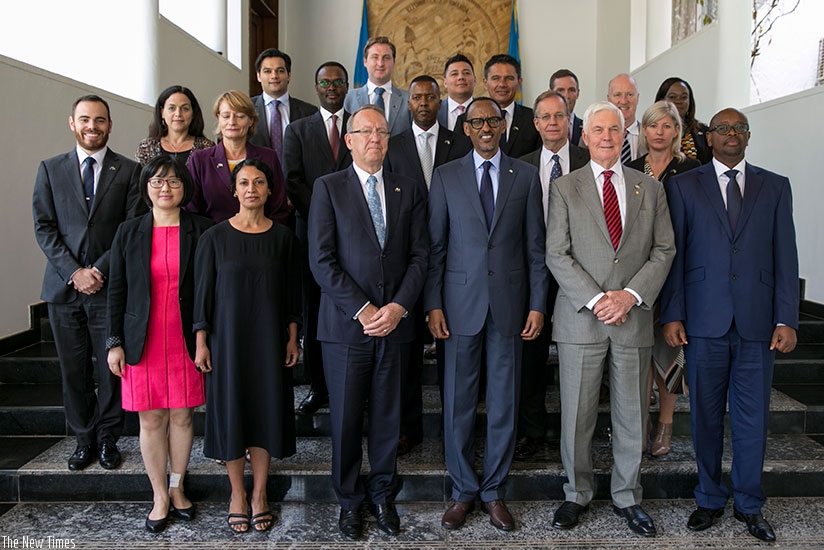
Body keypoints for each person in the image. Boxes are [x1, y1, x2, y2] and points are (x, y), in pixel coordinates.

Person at [660, 108, 799, 543]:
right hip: (703, 321)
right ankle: (708, 498)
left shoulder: (775, 186)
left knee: (752, 419)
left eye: (739, 128)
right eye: (723, 129)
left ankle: (749, 504)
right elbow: (675, 256)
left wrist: (787, 317)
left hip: (759, 323)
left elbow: (785, 256)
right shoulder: (684, 186)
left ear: (748, 135)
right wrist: (673, 313)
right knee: (703, 416)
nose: (732, 134)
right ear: (710, 137)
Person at [546, 101, 675, 538]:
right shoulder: (565, 187)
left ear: (625, 135)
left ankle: (627, 495)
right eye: (597, 129)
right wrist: (600, 299)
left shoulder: (649, 188)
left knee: (631, 415)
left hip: (633, 318)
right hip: (582, 319)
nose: (605, 136)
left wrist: (630, 296)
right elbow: (556, 254)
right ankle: (576, 493)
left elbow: (664, 250)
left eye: (613, 129)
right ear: (584, 135)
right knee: (577, 416)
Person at [426, 97, 549, 532]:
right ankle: (463, 490)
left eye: (491, 120)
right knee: (458, 401)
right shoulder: (444, 177)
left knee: (503, 402)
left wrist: (537, 304)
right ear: (464, 127)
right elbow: (435, 248)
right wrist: (433, 304)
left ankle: (493, 491)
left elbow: (537, 249)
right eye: (476, 121)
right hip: (458, 306)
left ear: (502, 125)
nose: (484, 127)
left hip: (511, 307)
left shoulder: (526, 176)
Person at [308, 105, 428, 540]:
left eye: (381, 131)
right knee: (344, 420)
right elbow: (321, 261)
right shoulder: (329, 188)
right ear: (352, 140)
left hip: (395, 326)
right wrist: (363, 309)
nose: (374, 137)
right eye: (365, 131)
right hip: (345, 328)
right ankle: (348, 501)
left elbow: (420, 256)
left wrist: (397, 307)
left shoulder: (407, 188)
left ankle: (381, 496)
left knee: (386, 417)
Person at [33, 94, 143, 472]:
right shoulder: (50, 169)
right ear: (72, 123)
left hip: (108, 288)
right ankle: (83, 440)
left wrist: (98, 270)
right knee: (73, 369)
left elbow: (130, 230)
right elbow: (44, 228)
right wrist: (74, 271)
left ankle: (109, 438)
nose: (92, 127)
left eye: (99, 120)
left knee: (109, 368)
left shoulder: (129, 171)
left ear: (110, 125)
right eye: (84, 120)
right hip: (63, 290)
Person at [106, 155, 212, 533]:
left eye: (173, 182)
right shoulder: (129, 231)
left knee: (183, 415)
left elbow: (207, 291)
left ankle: (178, 486)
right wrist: (114, 342)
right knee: (151, 418)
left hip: (185, 337)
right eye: (157, 182)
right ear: (146, 188)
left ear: (185, 188)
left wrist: (205, 337)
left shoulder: (201, 229)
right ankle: (159, 496)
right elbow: (116, 290)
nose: (165, 188)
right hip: (142, 338)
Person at [193, 159, 301, 533]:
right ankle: (236, 492)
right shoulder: (214, 237)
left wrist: (291, 337)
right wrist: (201, 341)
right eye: (244, 182)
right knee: (233, 413)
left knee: (266, 412)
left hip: (270, 341)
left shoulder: (283, 238)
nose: (251, 188)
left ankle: (259, 494)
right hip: (228, 342)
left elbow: (292, 294)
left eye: (259, 182)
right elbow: (202, 295)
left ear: (270, 191)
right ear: (234, 190)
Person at [385, 74, 459, 456]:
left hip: (453, 258)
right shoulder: (392, 145)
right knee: (406, 352)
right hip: (407, 260)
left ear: (440, 101)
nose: (425, 103)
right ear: (408, 103)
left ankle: (454, 427)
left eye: (431, 97)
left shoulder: (458, 143)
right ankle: (407, 428)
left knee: (453, 352)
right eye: (417, 97)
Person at [515, 90, 589, 460]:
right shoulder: (520, 164)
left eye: (559, 116)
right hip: (534, 274)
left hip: (584, 273)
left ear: (568, 119)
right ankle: (533, 430)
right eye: (544, 117)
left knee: (585, 354)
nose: (552, 123)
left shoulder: (589, 160)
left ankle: (580, 433)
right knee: (531, 356)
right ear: (536, 123)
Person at [626, 100, 700, 457]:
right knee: (639, 355)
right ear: (643, 130)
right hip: (637, 275)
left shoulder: (692, 170)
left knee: (668, 352)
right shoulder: (630, 169)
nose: (659, 132)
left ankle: (665, 425)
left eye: (667, 125)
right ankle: (640, 424)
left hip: (678, 273)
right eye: (653, 125)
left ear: (676, 131)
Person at [283, 61, 353, 417]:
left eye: (338, 81)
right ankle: (318, 387)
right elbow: (293, 181)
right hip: (310, 232)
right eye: (325, 81)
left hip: (357, 236)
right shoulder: (297, 130)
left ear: (347, 86)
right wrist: (327, 217)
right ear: (316, 86)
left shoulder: (360, 125)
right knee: (314, 312)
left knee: (351, 304)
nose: (331, 86)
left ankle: (354, 383)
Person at [186, 90, 288, 225]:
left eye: (240, 116)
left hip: (260, 238)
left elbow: (278, 208)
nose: (232, 122)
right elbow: (191, 210)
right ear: (218, 118)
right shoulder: (200, 160)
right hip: (213, 239)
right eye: (226, 116)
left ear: (251, 120)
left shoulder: (268, 157)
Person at [249, 48, 317, 163]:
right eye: (267, 71)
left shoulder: (309, 112)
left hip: (295, 179)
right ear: (258, 76)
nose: (274, 76)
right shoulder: (246, 109)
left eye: (280, 71)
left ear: (289, 75)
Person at [344, 36, 411, 136]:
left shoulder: (408, 99)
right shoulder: (348, 98)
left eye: (386, 58)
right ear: (365, 61)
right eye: (375, 57)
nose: (380, 63)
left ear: (394, 62)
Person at [134, 85, 214, 166]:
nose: (178, 114)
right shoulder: (147, 147)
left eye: (185, 108)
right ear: (162, 112)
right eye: (172, 108)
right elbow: (138, 178)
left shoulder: (207, 148)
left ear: (193, 113)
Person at [655, 77, 712, 164]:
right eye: (672, 97)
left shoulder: (703, 132)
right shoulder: (652, 130)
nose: (678, 101)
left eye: (684, 97)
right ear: (661, 100)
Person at [607, 74, 646, 162]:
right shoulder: (595, 137)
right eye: (617, 95)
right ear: (608, 100)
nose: (624, 101)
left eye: (629, 94)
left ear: (637, 98)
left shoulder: (649, 135)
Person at [437, 54, 476, 131]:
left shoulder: (485, 110)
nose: (461, 77)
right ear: (445, 82)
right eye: (454, 74)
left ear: (475, 80)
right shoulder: (436, 112)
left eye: (466, 73)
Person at [549, 69, 584, 146]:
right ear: (550, 93)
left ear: (578, 93)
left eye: (571, 90)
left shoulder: (587, 128)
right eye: (560, 90)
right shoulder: (541, 128)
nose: (566, 96)